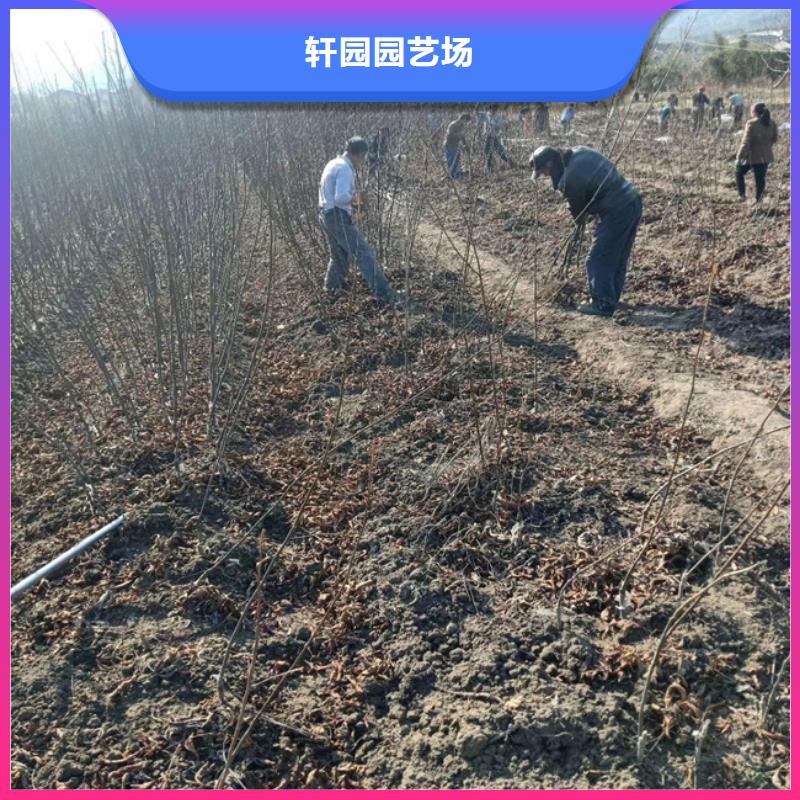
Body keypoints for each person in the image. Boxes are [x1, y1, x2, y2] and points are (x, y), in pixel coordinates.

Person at [529, 145, 642, 317]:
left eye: (544, 172)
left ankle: (602, 305)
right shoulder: (578, 151)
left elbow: (579, 212)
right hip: (633, 201)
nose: (545, 176)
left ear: (550, 164)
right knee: (617, 257)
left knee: (596, 260)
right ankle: (611, 298)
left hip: (616, 210)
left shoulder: (570, 179)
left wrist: (578, 219)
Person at [318, 137, 396, 303]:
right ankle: (384, 293)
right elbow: (341, 198)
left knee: (339, 255)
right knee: (363, 252)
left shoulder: (333, 163)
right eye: (363, 158)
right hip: (336, 216)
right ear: (360, 154)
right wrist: (357, 199)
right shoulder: (345, 168)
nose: (362, 162)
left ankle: (331, 288)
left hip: (326, 215)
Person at [735, 102, 778, 204]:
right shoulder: (772, 123)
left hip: (751, 156)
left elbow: (745, 141)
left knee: (739, 172)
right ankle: (759, 200)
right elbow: (775, 139)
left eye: (751, 110)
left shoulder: (751, 123)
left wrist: (739, 156)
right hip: (766, 156)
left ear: (754, 112)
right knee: (760, 179)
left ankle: (741, 195)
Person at [483, 105, 513, 172]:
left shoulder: (498, 116)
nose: (493, 111)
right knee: (487, 153)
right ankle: (489, 168)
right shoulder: (486, 115)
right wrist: (485, 132)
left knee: (499, 151)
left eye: (495, 109)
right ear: (490, 109)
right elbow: (484, 125)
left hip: (494, 136)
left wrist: (493, 125)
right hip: (487, 137)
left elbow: (500, 125)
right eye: (492, 109)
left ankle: (509, 161)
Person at [444, 112, 471, 179]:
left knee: (457, 161)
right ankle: (452, 176)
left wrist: (465, 145)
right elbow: (449, 136)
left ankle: (457, 174)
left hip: (456, 145)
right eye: (466, 122)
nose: (466, 124)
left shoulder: (462, 126)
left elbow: (463, 137)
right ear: (463, 119)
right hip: (449, 145)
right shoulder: (453, 125)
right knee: (451, 161)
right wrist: (458, 135)